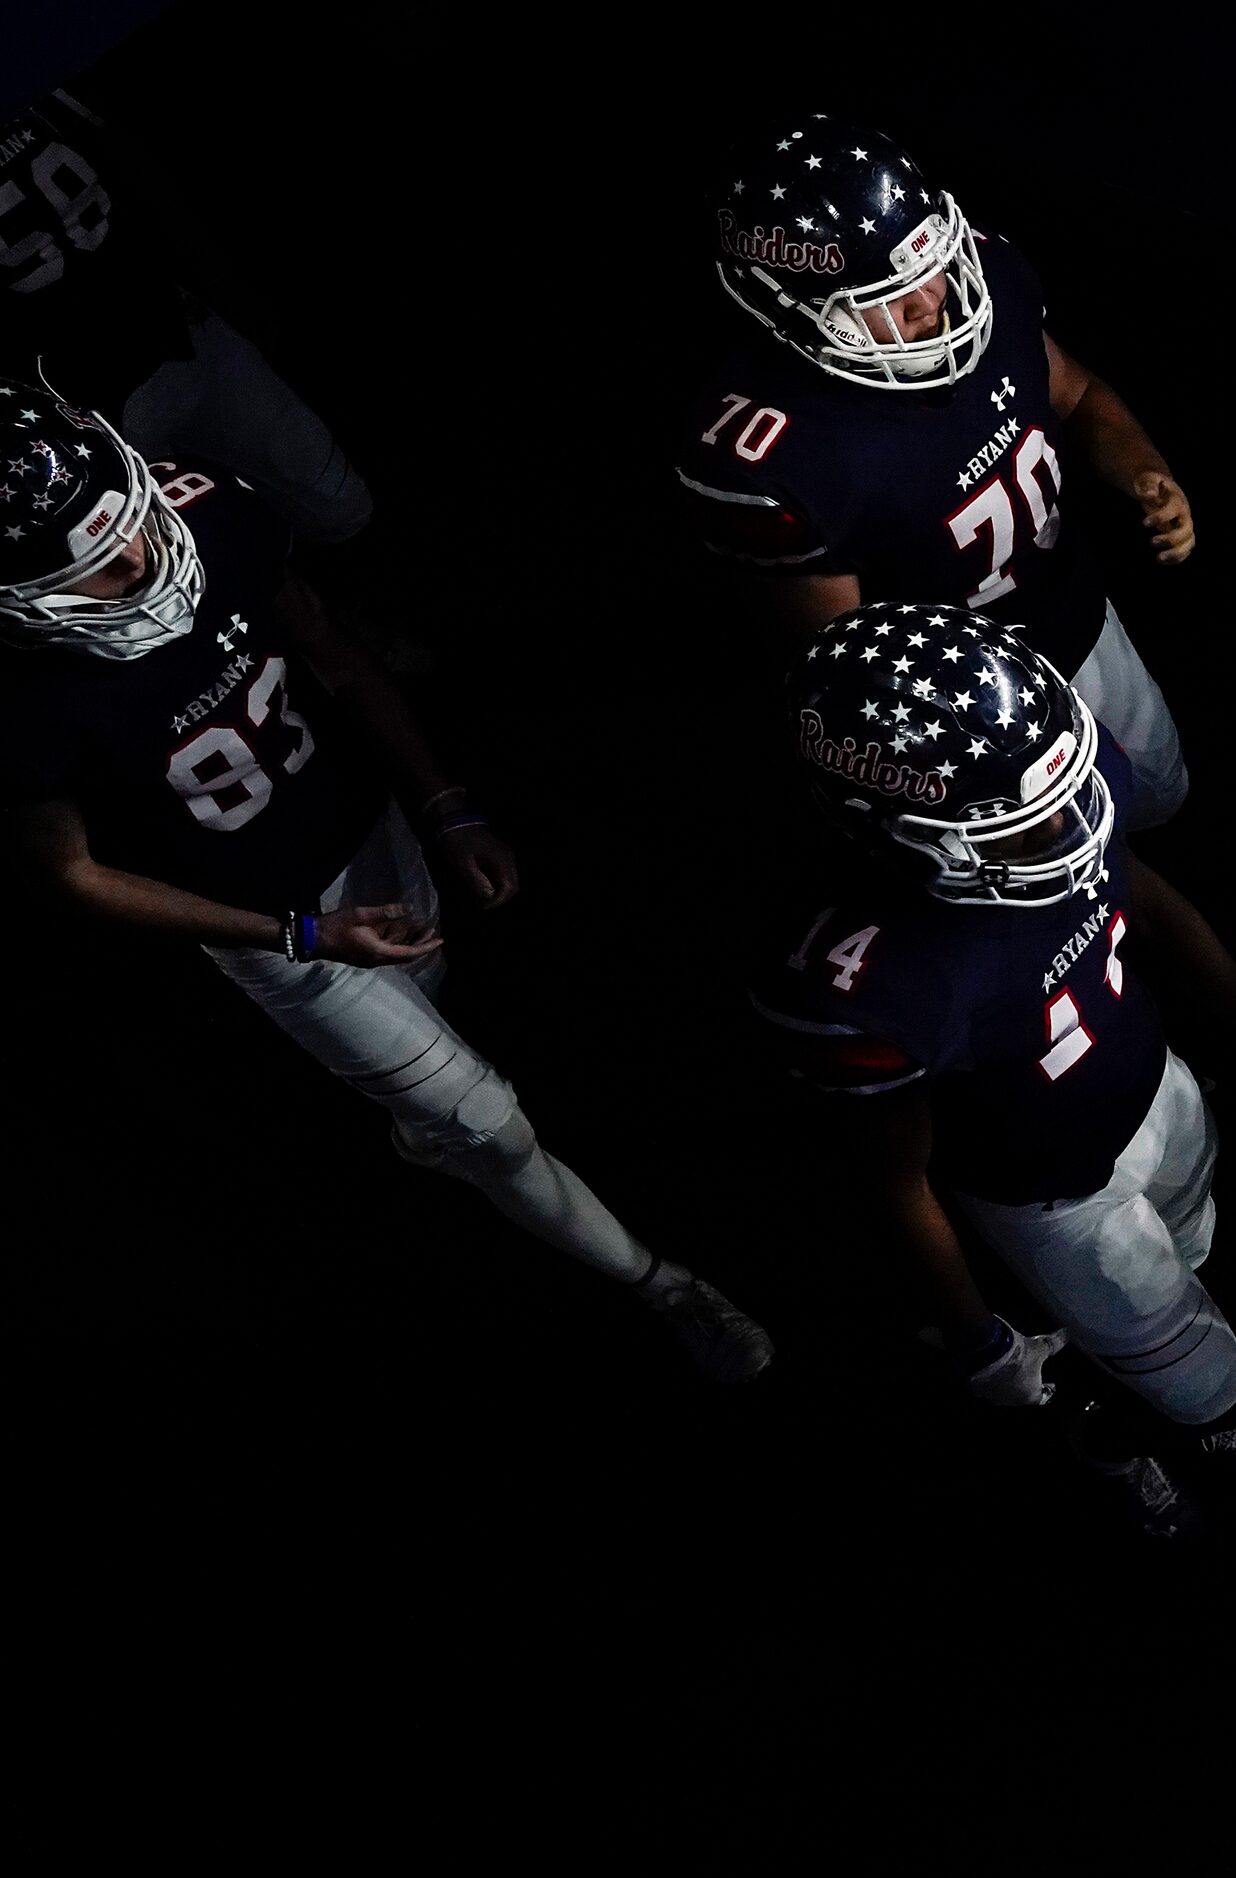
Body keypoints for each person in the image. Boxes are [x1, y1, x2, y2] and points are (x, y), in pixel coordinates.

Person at [0, 387, 769, 1381]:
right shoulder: (19, 703)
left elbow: (337, 659)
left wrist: (447, 803)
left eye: (128, 525)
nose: (141, 565)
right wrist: (298, 937)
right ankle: (661, 1284)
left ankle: (429, 1129)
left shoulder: (213, 513)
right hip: (277, 926)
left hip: (366, 825)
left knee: (443, 1024)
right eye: (93, 568)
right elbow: (71, 876)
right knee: (488, 1127)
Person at [750, 601, 1236, 1537]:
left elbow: (1147, 900)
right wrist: (975, 1333)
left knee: (1190, 1245)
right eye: (1019, 827)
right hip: (1052, 1193)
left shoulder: (1047, 769)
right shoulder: (865, 978)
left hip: (1154, 1083)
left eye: (1059, 797)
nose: (1069, 833)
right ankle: (1174, 1428)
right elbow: (891, 1178)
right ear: (887, 826)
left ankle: (1132, 1394)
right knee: (1175, 1362)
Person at [678, 115, 1196, 829]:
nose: (933, 302)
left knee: (1162, 799)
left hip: (1079, 617)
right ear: (786, 304)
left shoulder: (976, 276)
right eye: (885, 295)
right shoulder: (768, 457)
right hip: (963, 718)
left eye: (927, 265)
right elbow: (846, 676)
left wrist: (1143, 468)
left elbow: (1074, 392)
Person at [0, 92, 373, 546]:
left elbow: (140, 173)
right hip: (78, 395)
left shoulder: (45, 83)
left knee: (340, 504)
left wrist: (217, 283)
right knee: (185, 562)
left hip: (175, 328)